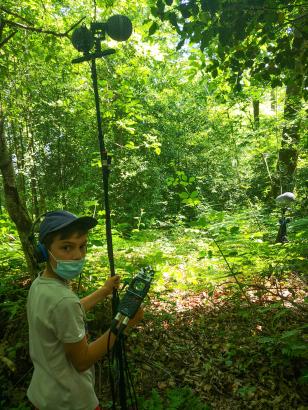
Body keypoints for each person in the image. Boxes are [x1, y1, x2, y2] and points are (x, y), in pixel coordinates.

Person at [27, 210, 143, 410]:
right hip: (72, 401)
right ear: (44, 251)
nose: (78, 255)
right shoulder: (63, 300)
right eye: (66, 247)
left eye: (82, 246)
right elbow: (82, 361)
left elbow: (66, 313)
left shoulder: (40, 285)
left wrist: (104, 291)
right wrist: (124, 324)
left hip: (45, 395)